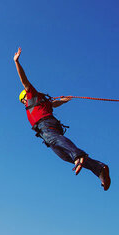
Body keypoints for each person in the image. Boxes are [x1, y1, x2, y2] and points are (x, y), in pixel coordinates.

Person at [13, 47, 111, 191]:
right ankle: (99, 168)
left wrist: (16, 62)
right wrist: (64, 100)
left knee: (55, 140)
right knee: (64, 156)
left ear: (24, 97)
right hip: (45, 130)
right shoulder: (42, 103)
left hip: (46, 125)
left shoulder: (31, 96)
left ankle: (78, 154)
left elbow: (24, 80)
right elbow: (53, 104)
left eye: (23, 100)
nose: (24, 103)